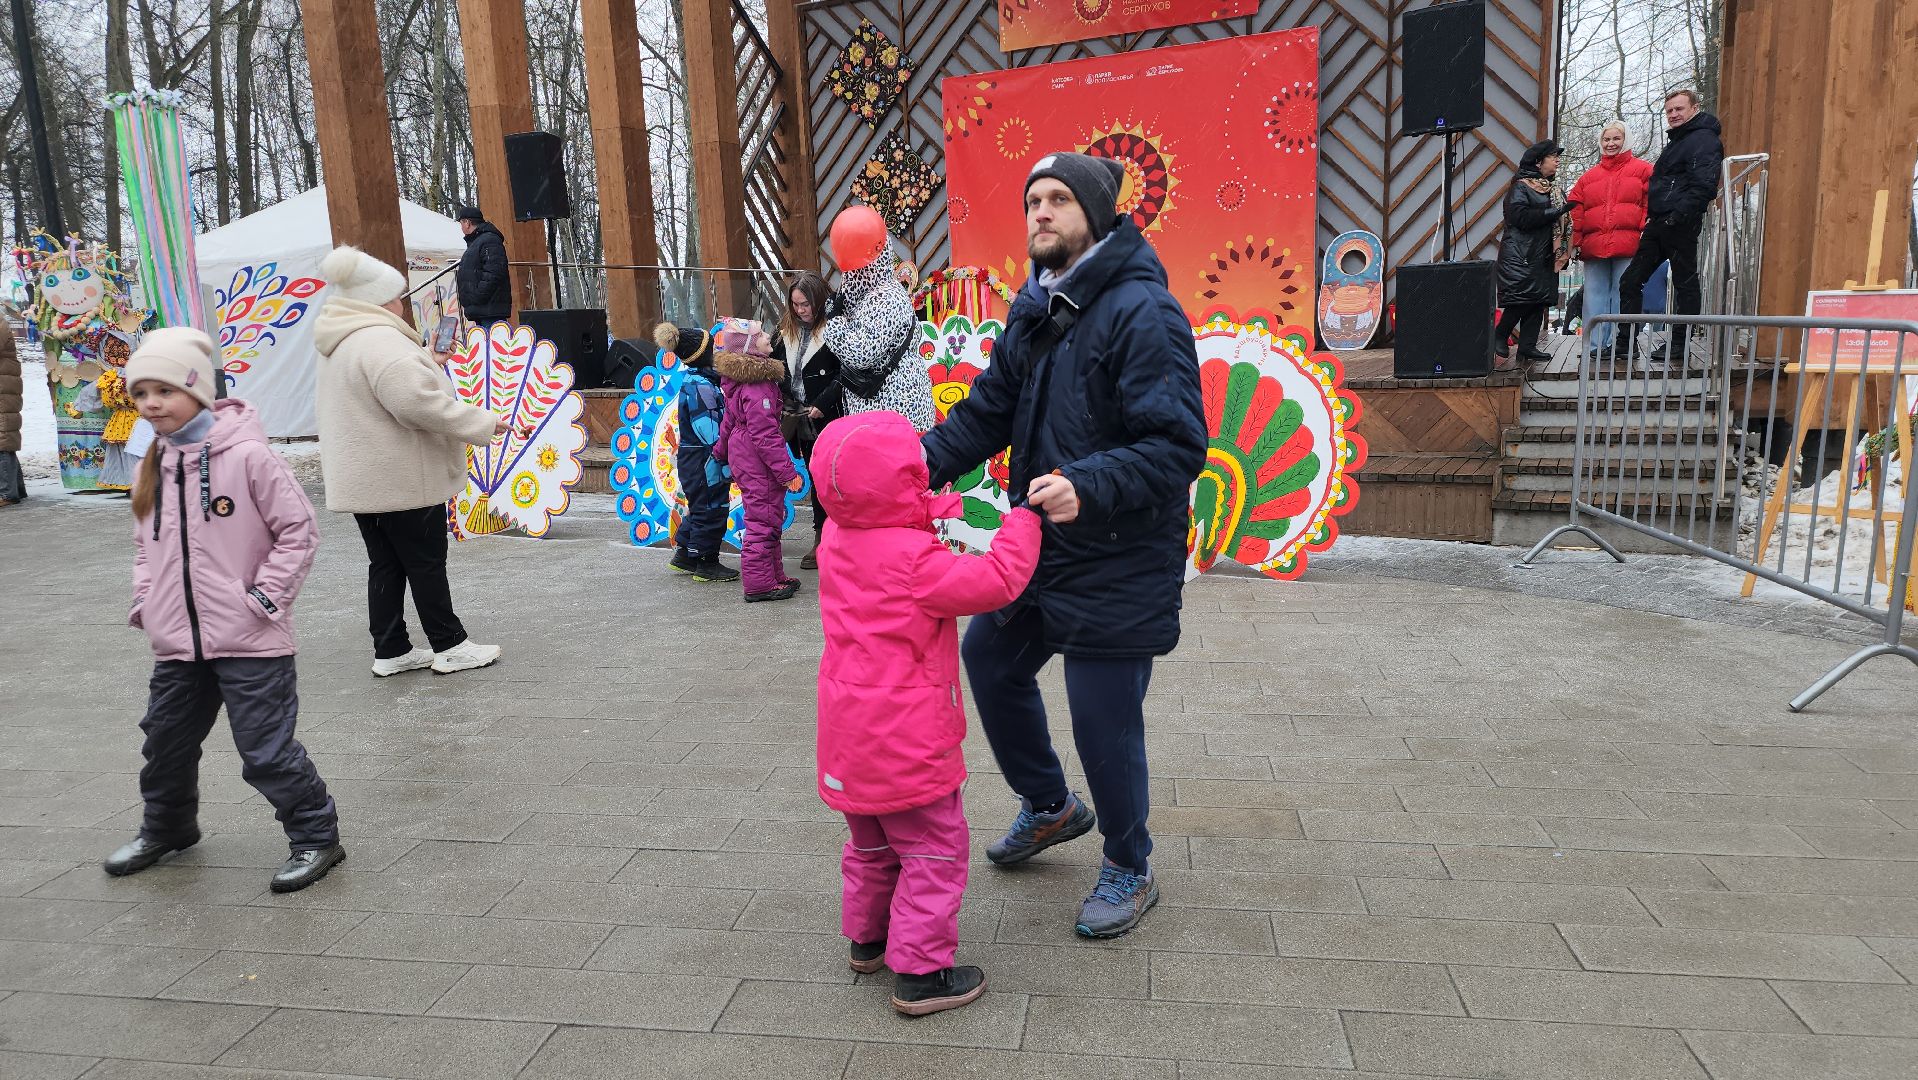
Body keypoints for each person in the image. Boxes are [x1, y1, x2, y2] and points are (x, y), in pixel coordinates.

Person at [922, 151, 1206, 939]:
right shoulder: (1038, 308)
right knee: (988, 661)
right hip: (1040, 550)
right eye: (1032, 201)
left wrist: (1089, 482)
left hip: (1119, 553)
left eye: (1057, 200)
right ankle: (1050, 807)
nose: (1040, 213)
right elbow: (984, 414)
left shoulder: (1142, 312)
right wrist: (907, 468)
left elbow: (1179, 445)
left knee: (1100, 720)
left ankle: (1129, 862)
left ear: (1098, 211)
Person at [812, 410, 1042, 1015]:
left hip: (847, 737)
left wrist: (934, 511)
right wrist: (1024, 521)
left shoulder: (836, 538)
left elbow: (883, 516)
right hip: (907, 741)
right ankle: (921, 973)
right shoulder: (916, 563)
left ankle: (868, 940)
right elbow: (996, 580)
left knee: (870, 843)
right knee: (934, 849)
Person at [109, 328, 344, 892]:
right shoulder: (153, 464)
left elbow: (299, 531)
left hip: (250, 638)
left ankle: (316, 837)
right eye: (140, 394)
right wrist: (147, 600)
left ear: (198, 389)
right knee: (164, 743)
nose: (151, 404)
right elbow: (147, 545)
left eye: (163, 390)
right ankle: (168, 827)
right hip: (176, 643)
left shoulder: (248, 456)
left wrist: (262, 599)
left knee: (264, 751)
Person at [313, 246, 506, 677]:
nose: (401, 303)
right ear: (380, 299)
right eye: (397, 296)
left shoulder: (342, 338)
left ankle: (391, 648)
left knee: (385, 562)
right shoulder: (381, 339)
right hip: (401, 475)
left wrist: (430, 363)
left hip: (366, 478)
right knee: (425, 561)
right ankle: (450, 644)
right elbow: (417, 404)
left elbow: (389, 389)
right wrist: (487, 423)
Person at [1619, 90, 1725, 361]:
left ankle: (1678, 344)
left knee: (1684, 283)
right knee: (1630, 280)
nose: (1674, 114)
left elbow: (1704, 184)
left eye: (1679, 109)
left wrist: (1678, 216)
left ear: (1694, 108)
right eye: (1670, 111)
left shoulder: (1703, 139)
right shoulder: (1678, 141)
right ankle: (1626, 343)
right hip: (1659, 222)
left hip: (1680, 222)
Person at [712, 343, 803, 603]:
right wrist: (787, 472)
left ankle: (772, 576)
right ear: (750, 348)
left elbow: (728, 422)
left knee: (769, 516)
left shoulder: (741, 381)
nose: (768, 339)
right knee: (762, 520)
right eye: (761, 335)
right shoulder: (758, 385)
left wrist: (720, 452)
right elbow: (766, 436)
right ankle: (759, 584)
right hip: (756, 459)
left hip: (744, 454)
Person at [822, 238, 935, 433]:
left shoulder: (886, 297)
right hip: (882, 413)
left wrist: (834, 322)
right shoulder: (869, 292)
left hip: (895, 410)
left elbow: (861, 353)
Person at [658, 322, 740, 583]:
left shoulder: (700, 381)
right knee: (712, 508)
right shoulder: (700, 387)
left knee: (700, 505)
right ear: (701, 354)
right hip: (706, 459)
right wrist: (724, 449)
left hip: (698, 458)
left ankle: (685, 555)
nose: (716, 352)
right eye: (711, 348)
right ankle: (707, 562)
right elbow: (708, 427)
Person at [771, 273, 842, 569]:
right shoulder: (783, 330)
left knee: (832, 478)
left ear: (819, 301)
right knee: (814, 476)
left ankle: (837, 535)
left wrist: (823, 403)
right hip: (798, 416)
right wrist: (787, 398)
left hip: (829, 417)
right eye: (795, 304)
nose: (800, 310)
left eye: (805, 304)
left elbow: (845, 372)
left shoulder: (836, 328)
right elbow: (774, 368)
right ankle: (820, 534)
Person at [1569, 121, 1653, 355]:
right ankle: (1593, 345)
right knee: (1593, 295)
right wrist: (1576, 241)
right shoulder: (1588, 178)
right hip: (1594, 245)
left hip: (1628, 244)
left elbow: (1651, 202)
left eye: (1616, 139)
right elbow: (1576, 209)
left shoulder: (1644, 170)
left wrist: (1642, 226)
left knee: (1622, 293)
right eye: (1606, 139)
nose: (1611, 144)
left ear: (1625, 140)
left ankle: (1619, 343)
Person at [1495, 140, 1577, 368]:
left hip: (1541, 254)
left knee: (1538, 300)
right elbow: (1518, 217)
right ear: (1539, 162)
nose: (1557, 160)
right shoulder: (1521, 187)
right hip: (1521, 253)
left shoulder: (1552, 189)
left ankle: (1527, 346)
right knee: (1522, 300)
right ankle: (1500, 334)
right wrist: (1554, 212)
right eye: (1553, 156)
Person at [454, 206, 512, 327]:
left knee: (494, 343)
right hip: (484, 308)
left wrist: (477, 296)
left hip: (490, 309)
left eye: (461, 223)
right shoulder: (479, 241)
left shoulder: (489, 240)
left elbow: (494, 272)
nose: (461, 227)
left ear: (467, 223)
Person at [0, 318, 25, 506]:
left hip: (3, 389)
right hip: (5, 387)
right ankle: (15, 489)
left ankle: (7, 493)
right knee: (5, 439)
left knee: (3, 440)